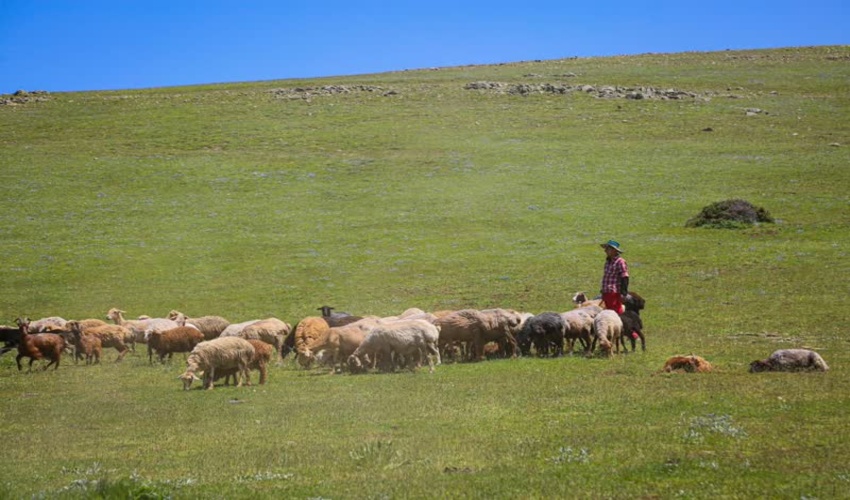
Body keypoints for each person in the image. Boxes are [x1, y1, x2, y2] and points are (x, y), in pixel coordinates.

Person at [600, 239, 629, 314]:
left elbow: (624, 277)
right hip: (606, 291)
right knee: (608, 311)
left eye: (608, 248)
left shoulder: (620, 262)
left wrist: (623, 293)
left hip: (614, 292)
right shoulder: (608, 262)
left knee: (616, 311)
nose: (605, 251)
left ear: (614, 250)